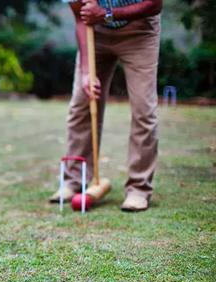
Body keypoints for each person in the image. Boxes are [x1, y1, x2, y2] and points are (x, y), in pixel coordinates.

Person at [49, 0, 163, 211]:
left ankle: (138, 188)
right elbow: (80, 17)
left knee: (143, 110)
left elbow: (155, 4)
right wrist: (85, 73)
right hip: (95, 30)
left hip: (139, 30)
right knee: (82, 104)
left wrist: (107, 14)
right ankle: (74, 181)